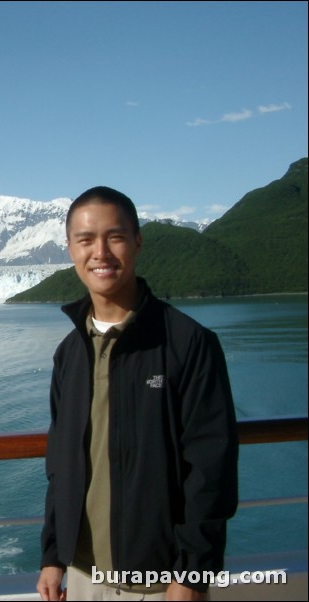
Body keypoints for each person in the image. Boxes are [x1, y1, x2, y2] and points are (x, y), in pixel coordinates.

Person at [36, 187, 238, 601]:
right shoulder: (70, 354)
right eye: (86, 239)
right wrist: (53, 556)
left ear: (137, 242)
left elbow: (210, 470)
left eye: (115, 236)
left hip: (161, 581)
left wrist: (192, 576)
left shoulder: (188, 343)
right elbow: (61, 463)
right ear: (71, 248)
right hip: (82, 575)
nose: (101, 253)